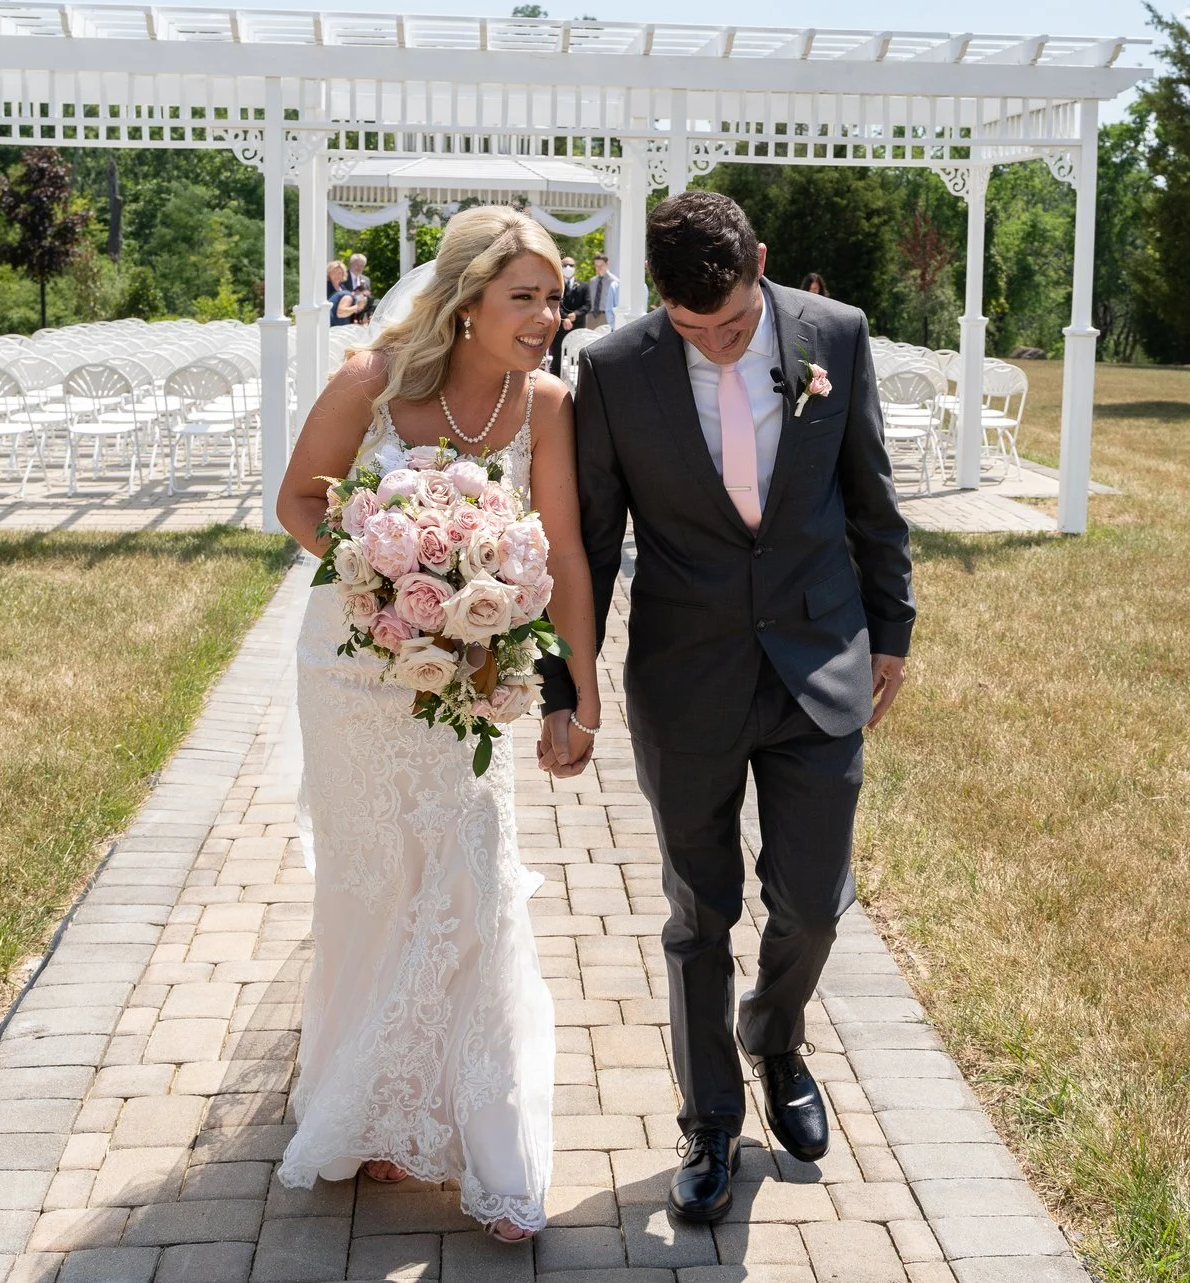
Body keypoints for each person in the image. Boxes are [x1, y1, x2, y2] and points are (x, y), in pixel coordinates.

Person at [537, 190, 915, 1224]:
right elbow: (590, 545)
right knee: (699, 910)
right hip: (684, 676)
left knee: (811, 896)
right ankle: (709, 1118)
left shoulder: (834, 334)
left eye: (735, 324)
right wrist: (565, 686)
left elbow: (870, 495)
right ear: (660, 299)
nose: (713, 346)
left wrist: (893, 628)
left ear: (762, 262)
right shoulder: (611, 370)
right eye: (691, 328)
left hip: (819, 659)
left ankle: (776, 1036)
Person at [273, 207, 605, 1244]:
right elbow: (297, 498)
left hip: (464, 675)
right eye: (526, 297)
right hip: (350, 672)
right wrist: (379, 568)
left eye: (555, 298)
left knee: (470, 869)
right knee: (372, 882)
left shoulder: (545, 403)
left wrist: (579, 692)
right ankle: (371, 1100)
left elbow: (568, 556)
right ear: (465, 303)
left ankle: (496, 1155)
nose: (548, 316)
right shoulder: (370, 381)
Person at [324, 259, 367, 327]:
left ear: (343, 274)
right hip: (329, 324)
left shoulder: (343, 287)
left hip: (343, 324)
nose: (337, 275)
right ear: (329, 274)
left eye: (339, 273)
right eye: (334, 272)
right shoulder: (324, 288)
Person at [581, 253, 618, 329]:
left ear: (607, 264)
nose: (599, 267)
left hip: (606, 316)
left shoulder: (615, 282)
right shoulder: (592, 281)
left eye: (601, 265)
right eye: (596, 265)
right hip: (592, 316)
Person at [345, 252, 375, 325]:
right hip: (345, 316)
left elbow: (369, 298)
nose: (359, 268)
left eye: (362, 265)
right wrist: (354, 294)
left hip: (361, 319)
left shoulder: (366, 279)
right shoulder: (343, 277)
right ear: (351, 264)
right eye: (357, 264)